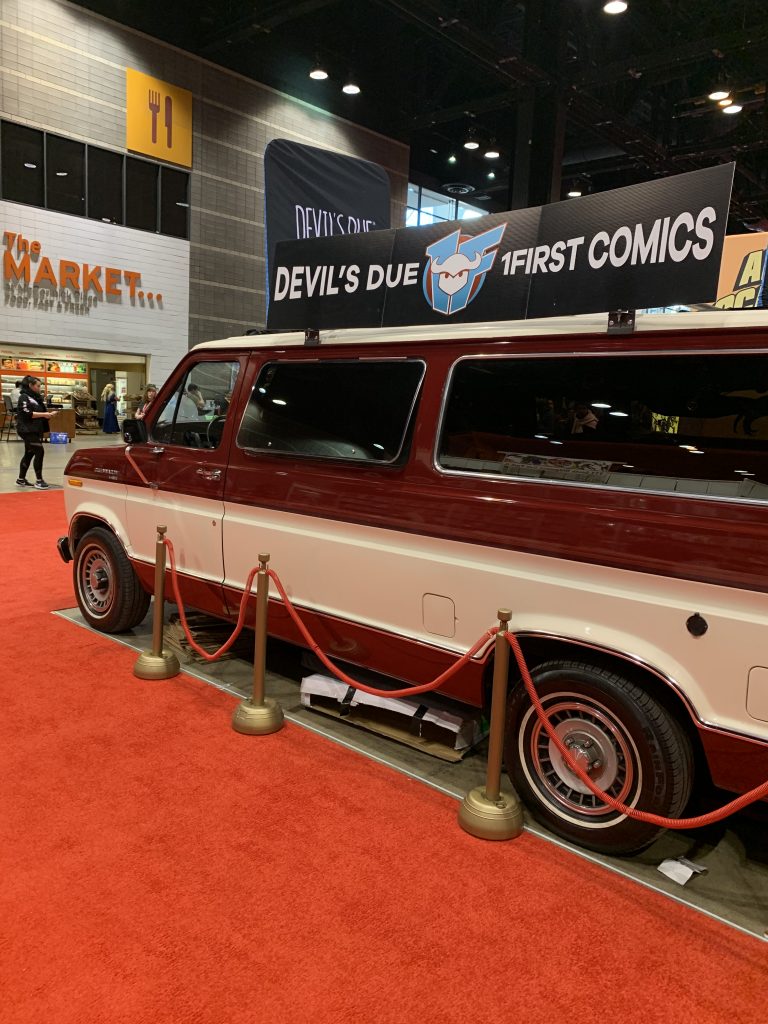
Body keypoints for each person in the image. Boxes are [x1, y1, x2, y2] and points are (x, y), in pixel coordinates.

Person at [16, 375, 57, 489]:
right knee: (39, 451)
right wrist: (45, 414)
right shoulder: (24, 397)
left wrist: (47, 415)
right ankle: (39, 480)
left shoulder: (34, 397)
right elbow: (26, 413)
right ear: (30, 385)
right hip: (27, 429)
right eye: (38, 386)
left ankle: (21, 479)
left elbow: (37, 413)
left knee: (29, 453)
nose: (40, 388)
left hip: (34, 429)